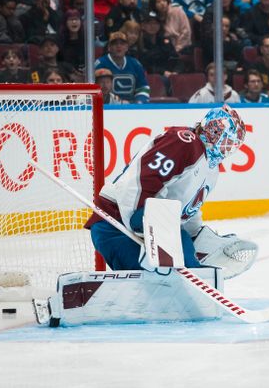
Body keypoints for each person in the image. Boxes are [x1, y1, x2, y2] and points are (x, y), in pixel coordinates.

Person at [83, 105, 251, 280]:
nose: (227, 149)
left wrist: (198, 235)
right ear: (213, 131)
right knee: (181, 266)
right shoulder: (184, 141)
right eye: (226, 141)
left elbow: (188, 211)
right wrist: (140, 220)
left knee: (187, 263)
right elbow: (141, 180)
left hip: (149, 229)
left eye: (232, 145)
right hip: (115, 225)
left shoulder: (211, 170)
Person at [94, 31, 150, 103]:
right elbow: (93, 89)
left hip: (131, 107)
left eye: (122, 43)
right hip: (108, 107)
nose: (119, 46)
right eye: (115, 44)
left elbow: (143, 87)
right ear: (109, 47)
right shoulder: (100, 64)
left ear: (127, 47)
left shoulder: (135, 64)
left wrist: (139, 102)